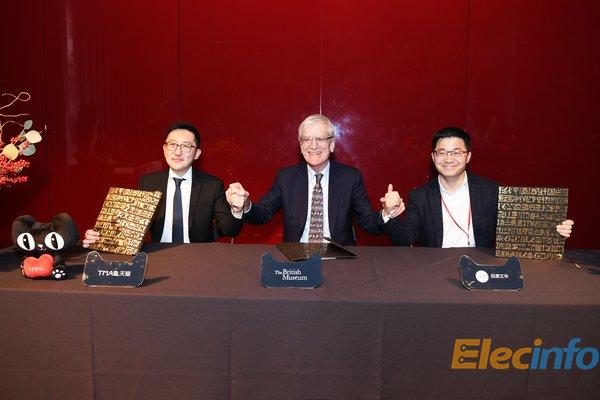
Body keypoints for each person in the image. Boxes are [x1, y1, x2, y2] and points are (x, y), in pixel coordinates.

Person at [225, 114, 404, 246]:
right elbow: (263, 214)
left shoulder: (350, 178)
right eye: (307, 139)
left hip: (339, 259)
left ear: (332, 144)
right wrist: (246, 205)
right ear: (300, 145)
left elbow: (368, 222)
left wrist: (386, 213)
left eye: (319, 139)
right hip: (296, 259)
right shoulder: (286, 177)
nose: (313, 145)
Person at [383, 126, 574, 247]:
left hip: (483, 268)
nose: (448, 159)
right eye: (442, 153)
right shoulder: (419, 196)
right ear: (433, 157)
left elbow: (518, 230)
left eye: (456, 152)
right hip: (435, 270)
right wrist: (389, 214)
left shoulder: (490, 190)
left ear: (468, 156)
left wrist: (552, 230)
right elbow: (405, 240)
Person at [83, 122, 242, 246]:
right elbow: (130, 227)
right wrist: (103, 236)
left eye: (186, 146)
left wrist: (237, 210)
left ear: (197, 154)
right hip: (159, 255)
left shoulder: (212, 185)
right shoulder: (148, 183)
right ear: (164, 149)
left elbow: (230, 230)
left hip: (199, 256)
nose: (178, 152)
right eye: (172, 145)